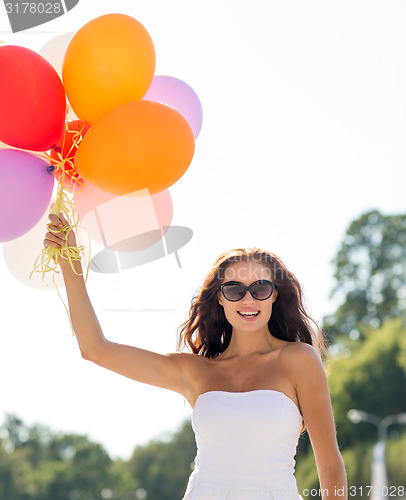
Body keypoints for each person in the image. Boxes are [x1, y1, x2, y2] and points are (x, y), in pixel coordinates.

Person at [44, 212, 348, 500]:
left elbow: (330, 465)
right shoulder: (195, 372)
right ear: (220, 297)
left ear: (275, 294)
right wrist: (70, 266)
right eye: (234, 289)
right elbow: (95, 349)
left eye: (260, 288)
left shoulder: (298, 359)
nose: (248, 299)